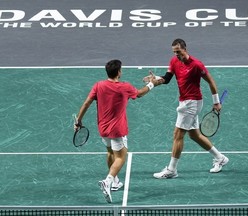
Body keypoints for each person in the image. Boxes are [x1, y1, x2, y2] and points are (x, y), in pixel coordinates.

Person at [74, 59, 159, 203]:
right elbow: (139, 93)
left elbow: (87, 103)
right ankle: (108, 181)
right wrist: (152, 83)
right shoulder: (124, 87)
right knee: (120, 157)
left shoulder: (98, 85)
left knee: (110, 152)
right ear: (119, 72)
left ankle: (114, 182)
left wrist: (78, 121)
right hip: (117, 130)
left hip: (103, 128)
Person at [146, 38, 229, 179]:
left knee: (178, 135)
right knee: (194, 135)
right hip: (184, 101)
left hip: (192, 102)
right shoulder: (174, 61)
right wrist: (155, 80)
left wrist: (216, 102)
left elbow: (211, 81)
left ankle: (172, 170)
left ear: (185, 49)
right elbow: (167, 79)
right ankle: (220, 158)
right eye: (174, 52)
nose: (176, 55)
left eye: (178, 52)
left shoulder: (197, 65)